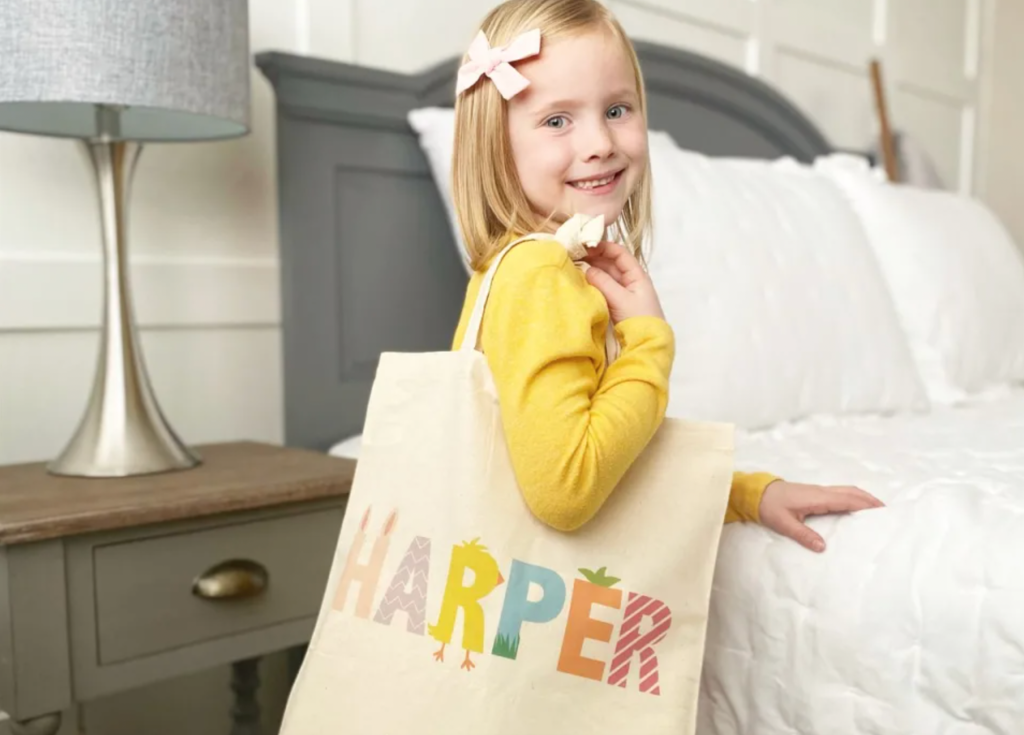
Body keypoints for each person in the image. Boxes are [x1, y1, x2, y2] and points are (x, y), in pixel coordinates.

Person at [449, 0, 883, 553]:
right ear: (495, 144)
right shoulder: (538, 274)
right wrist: (649, 343)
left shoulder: (551, 269)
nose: (600, 143)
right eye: (557, 120)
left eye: (616, 110)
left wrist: (747, 496)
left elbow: (616, 470)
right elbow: (566, 493)